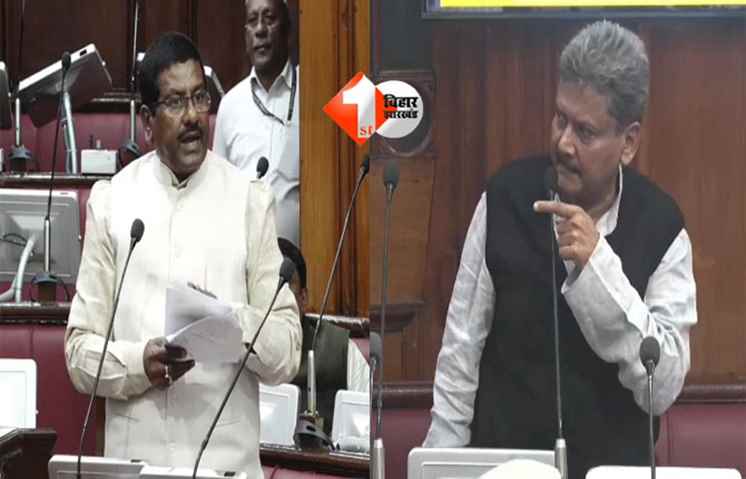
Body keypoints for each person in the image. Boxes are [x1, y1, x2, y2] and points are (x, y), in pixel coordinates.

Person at [424, 21, 697, 479]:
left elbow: (662, 386)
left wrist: (598, 269)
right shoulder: (505, 200)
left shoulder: (663, 228)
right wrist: (440, 467)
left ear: (628, 142)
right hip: (505, 471)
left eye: (585, 132)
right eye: (559, 119)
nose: (563, 143)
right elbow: (460, 354)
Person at [64, 32, 301, 477]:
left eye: (199, 97)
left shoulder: (249, 201)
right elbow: (78, 355)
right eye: (175, 102)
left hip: (224, 467)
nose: (192, 116)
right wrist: (140, 363)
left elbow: (286, 352)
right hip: (136, 466)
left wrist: (231, 321)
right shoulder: (113, 202)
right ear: (147, 121)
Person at [214, 0, 299, 247]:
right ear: (245, 36)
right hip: (244, 257)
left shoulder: (313, 93)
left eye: (269, 18)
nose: (260, 29)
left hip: (306, 260)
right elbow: (218, 191)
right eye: (253, 21)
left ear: (287, 30)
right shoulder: (230, 105)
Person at [277, 237, 369, 436]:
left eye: (284, 289)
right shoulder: (240, 350)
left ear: (303, 299)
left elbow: (368, 429)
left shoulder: (342, 351)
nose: (275, 301)